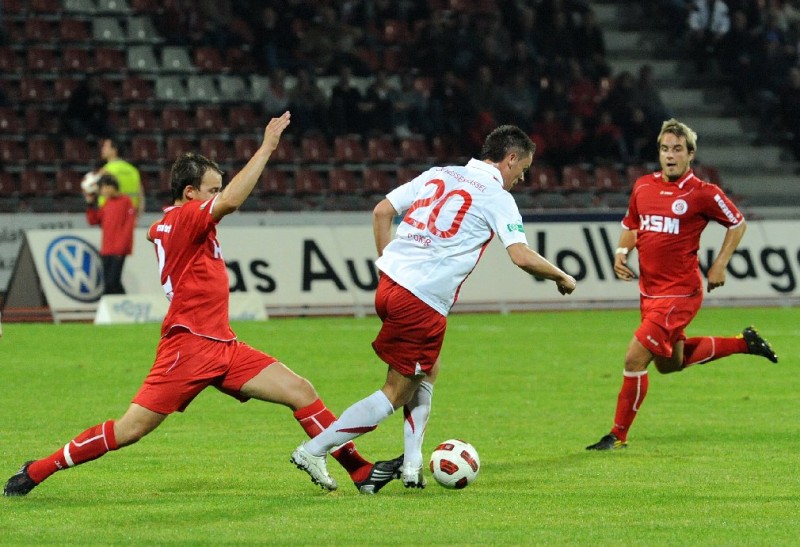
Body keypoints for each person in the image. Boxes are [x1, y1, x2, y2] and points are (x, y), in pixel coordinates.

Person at [4, 112, 400, 497]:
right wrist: (266, 148)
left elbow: (186, 222)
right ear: (190, 193)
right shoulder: (185, 219)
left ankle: (361, 471)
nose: (217, 195)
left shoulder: (178, 223)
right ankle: (38, 469)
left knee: (299, 390)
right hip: (188, 348)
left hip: (223, 345)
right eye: (211, 189)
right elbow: (229, 202)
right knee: (131, 429)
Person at [289, 125, 577, 490]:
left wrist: (390, 265)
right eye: (523, 170)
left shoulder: (439, 174)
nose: (522, 178)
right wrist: (561, 276)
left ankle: (412, 465)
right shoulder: (496, 195)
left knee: (428, 369)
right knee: (394, 392)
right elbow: (520, 256)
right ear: (511, 158)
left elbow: (381, 211)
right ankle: (314, 449)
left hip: (391, 285)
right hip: (421, 300)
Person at [585, 118, 779, 451]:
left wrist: (719, 264)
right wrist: (621, 251)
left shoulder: (703, 193)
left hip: (680, 294)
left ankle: (617, 435)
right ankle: (743, 343)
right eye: (664, 149)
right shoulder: (643, 186)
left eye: (677, 149)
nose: (670, 155)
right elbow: (633, 224)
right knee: (668, 364)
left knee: (634, 359)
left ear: (690, 154)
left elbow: (737, 223)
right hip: (649, 293)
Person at [84, 174, 137, 295]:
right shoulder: (106, 204)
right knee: (111, 284)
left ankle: (121, 305)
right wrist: (90, 204)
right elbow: (93, 220)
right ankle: (121, 307)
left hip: (118, 249)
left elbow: (128, 227)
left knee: (112, 282)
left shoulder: (126, 201)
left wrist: (122, 248)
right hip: (106, 249)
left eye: (103, 188)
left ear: (110, 187)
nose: (102, 192)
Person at [98, 137, 145, 216]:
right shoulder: (132, 170)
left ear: (114, 150)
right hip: (130, 214)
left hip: (111, 214)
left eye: (105, 146)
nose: (102, 149)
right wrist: (137, 215)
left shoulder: (105, 170)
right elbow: (140, 195)